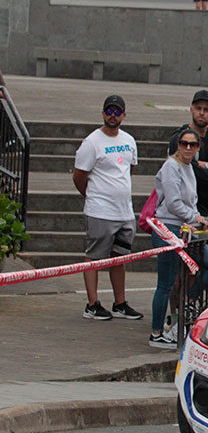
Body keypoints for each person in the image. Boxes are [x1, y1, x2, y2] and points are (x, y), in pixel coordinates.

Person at [150, 128, 208, 348]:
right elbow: (174, 203)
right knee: (164, 284)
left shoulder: (188, 167)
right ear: (177, 144)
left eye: (192, 145)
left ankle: (188, 302)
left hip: (186, 231)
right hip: (169, 230)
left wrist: (195, 219)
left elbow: (189, 201)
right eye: (184, 143)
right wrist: (195, 217)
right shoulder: (170, 166)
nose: (188, 148)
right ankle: (156, 332)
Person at [72, 95, 142, 321]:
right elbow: (79, 175)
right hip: (100, 211)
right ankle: (92, 304)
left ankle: (120, 303)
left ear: (124, 115)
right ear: (103, 114)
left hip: (124, 211)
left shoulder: (129, 140)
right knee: (95, 257)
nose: (113, 116)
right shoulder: (92, 142)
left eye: (117, 112)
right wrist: (91, 195)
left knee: (119, 257)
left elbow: (129, 171)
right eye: (108, 111)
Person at [167, 90, 208, 218]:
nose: (202, 113)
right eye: (198, 108)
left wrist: (207, 166)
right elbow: (190, 172)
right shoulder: (179, 138)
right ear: (191, 109)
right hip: (182, 214)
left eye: (206, 109)